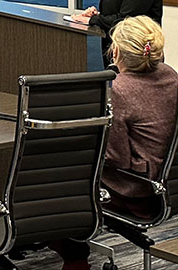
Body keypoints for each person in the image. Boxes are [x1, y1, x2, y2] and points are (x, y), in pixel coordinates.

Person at [52, 16, 178, 270]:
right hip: (168, 185)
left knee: (57, 182)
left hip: (137, 191)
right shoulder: (170, 74)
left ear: (116, 50)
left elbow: (116, 159)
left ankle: (75, 258)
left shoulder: (121, 89)